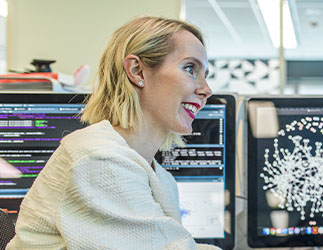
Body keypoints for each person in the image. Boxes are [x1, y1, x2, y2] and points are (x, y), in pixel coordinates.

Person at [7, 16, 219, 249]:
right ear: (137, 71)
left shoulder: (159, 177)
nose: (206, 90)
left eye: (205, 75)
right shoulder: (99, 157)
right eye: (190, 68)